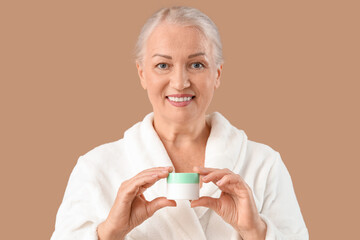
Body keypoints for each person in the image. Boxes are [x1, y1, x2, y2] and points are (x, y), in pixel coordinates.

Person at [51, 6, 309, 240]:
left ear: (216, 74)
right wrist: (108, 233)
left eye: (196, 64)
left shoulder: (264, 164)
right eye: (163, 65)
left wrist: (256, 231)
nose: (180, 82)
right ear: (142, 73)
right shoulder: (95, 169)